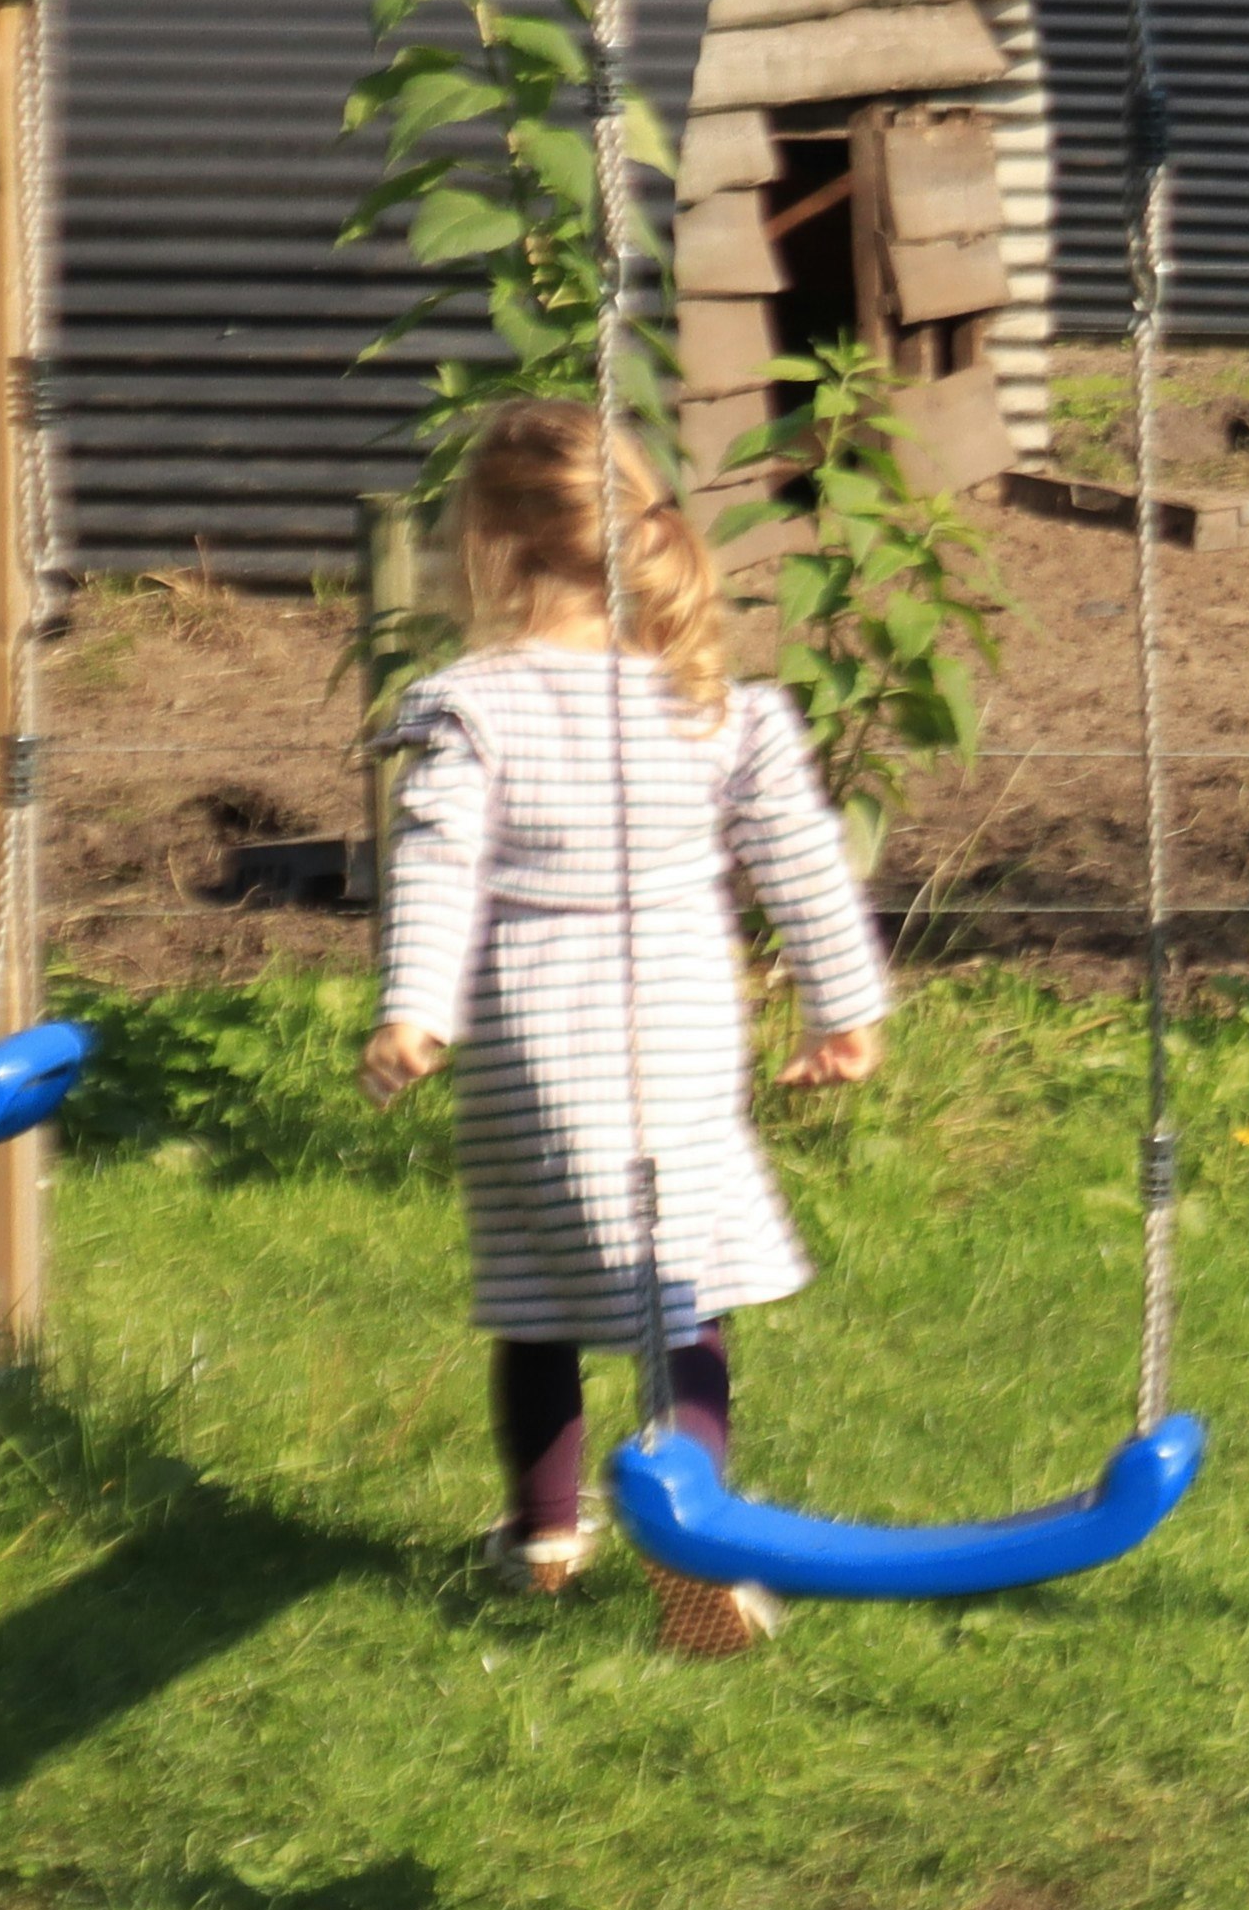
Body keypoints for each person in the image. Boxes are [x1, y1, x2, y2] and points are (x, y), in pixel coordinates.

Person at [359, 403, 886, 1656]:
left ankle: (544, 1537)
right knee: (680, 1301)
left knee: (539, 1296)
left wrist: (415, 1010)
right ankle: (692, 1535)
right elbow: (804, 863)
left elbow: (437, 864)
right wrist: (845, 1006)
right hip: (687, 1034)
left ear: (484, 551)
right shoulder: (718, 705)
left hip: (544, 1041)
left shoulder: (470, 706)